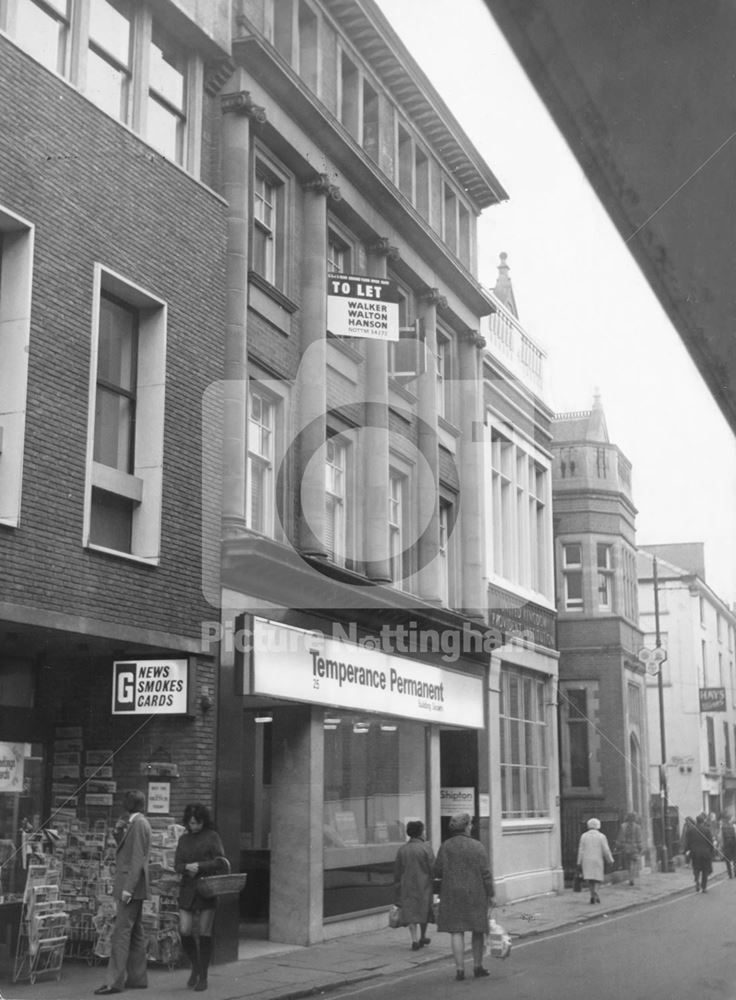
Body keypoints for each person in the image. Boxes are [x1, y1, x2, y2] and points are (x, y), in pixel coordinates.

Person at [94, 789, 152, 995]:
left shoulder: (138, 824)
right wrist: (118, 832)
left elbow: (137, 858)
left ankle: (114, 981)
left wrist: (128, 888)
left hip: (131, 886)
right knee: (135, 932)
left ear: (130, 804)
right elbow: (127, 850)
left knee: (121, 933)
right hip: (133, 885)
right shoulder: (135, 823)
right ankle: (137, 977)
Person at [433, 812, 494, 981]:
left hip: (451, 893)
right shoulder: (478, 846)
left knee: (456, 931)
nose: (472, 826)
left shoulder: (445, 846)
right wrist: (491, 894)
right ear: (466, 826)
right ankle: (477, 966)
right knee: (477, 930)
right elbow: (486, 874)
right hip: (475, 893)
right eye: (470, 824)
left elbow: (437, 870)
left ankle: (460, 970)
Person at [174, 803, 227, 991]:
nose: (193, 826)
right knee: (185, 930)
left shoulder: (212, 837)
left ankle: (203, 975)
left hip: (207, 888)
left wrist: (200, 866)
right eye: (191, 823)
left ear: (203, 821)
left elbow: (220, 861)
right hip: (188, 888)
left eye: (196, 823)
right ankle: (195, 966)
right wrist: (186, 867)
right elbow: (177, 864)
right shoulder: (183, 839)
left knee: (205, 932)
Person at [393, 820, 435, 951]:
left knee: (411, 912)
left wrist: (397, 887)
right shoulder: (426, 848)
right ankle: (423, 936)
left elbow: (397, 871)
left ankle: (414, 939)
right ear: (420, 832)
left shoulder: (402, 850)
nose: (425, 832)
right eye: (424, 830)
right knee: (424, 911)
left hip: (407, 886)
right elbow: (433, 868)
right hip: (424, 885)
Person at [576, 817, 614, 905]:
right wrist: (610, 860)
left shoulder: (584, 836)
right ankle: (596, 892)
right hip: (597, 859)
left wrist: (578, 862)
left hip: (586, 860)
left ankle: (592, 895)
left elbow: (581, 850)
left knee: (590, 879)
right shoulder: (601, 836)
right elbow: (606, 850)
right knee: (597, 878)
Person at [684, 812, 715, 893]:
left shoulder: (690, 830)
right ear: (703, 821)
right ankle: (704, 887)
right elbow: (710, 842)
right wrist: (712, 852)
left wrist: (686, 851)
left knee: (696, 869)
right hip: (705, 853)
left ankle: (697, 881)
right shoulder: (707, 830)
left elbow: (688, 842)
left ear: (697, 821)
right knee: (705, 870)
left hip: (695, 853)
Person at [615, 812, 643, 886]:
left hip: (626, 847)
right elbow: (639, 838)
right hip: (634, 847)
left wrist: (618, 845)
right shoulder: (637, 827)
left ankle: (631, 878)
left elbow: (620, 837)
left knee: (628, 863)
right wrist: (640, 847)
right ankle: (631, 878)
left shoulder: (623, 826)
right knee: (633, 863)